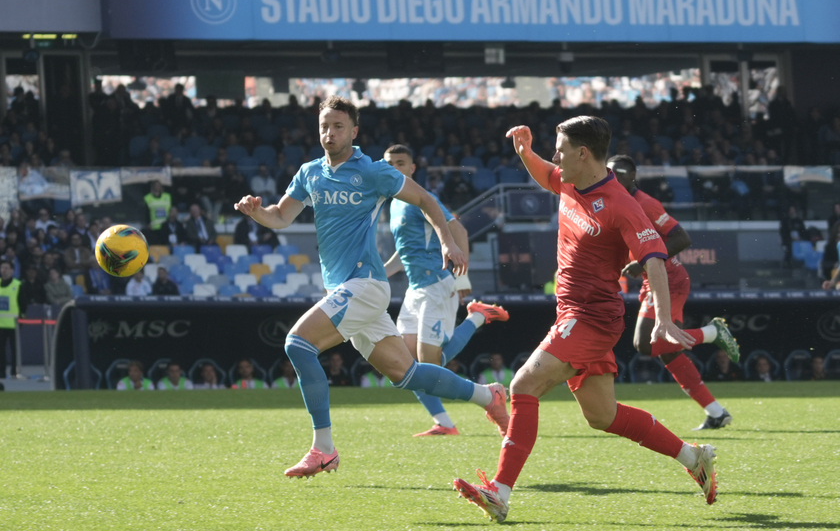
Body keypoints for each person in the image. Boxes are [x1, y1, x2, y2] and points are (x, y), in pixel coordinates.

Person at [452, 117, 728, 523]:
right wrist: (525, 151)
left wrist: (664, 320)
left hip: (593, 317)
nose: (556, 156)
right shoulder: (568, 178)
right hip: (571, 311)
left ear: (584, 153)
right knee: (604, 416)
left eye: (561, 149)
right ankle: (694, 456)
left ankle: (500, 490)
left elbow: (655, 259)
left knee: (523, 384)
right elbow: (545, 172)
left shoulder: (622, 205)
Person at [235, 95, 509, 478]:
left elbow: (425, 199)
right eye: (324, 127)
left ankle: (323, 448)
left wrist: (448, 241)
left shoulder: (372, 171)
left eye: (338, 126)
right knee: (407, 374)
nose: (329, 133)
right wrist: (256, 213)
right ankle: (489, 395)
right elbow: (281, 216)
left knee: (297, 344)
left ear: (354, 131)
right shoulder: (310, 172)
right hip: (344, 288)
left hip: (365, 283)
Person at [383, 144, 510, 437]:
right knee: (406, 367)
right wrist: (376, 274)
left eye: (400, 163)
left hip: (438, 285)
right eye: (389, 164)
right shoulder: (394, 204)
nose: (394, 169)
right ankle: (445, 423)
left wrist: (462, 278)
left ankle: (476, 320)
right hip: (415, 290)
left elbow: (460, 232)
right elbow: (404, 254)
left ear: (412, 169)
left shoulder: (422, 199)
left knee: (430, 366)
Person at [606, 154, 738, 431]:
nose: (613, 176)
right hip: (650, 279)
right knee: (669, 351)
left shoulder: (645, 203)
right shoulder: (612, 200)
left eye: (619, 172)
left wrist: (641, 261)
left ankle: (712, 332)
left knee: (644, 343)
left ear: (633, 177)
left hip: (668, 278)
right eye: (609, 171)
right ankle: (716, 413)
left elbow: (682, 238)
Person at [0, 261, 22, 378]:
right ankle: (1, 372)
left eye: (7, 268)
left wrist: (21, 317)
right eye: (2, 267)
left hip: (14, 323)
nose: (4, 270)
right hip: (0, 324)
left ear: (12, 270)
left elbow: (23, 303)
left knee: (15, 350)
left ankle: (14, 371)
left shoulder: (17, 284)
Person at [143, 181, 172, 245]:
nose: (157, 187)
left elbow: (171, 210)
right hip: (154, 228)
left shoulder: (167, 197)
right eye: (156, 185)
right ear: (152, 187)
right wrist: (148, 223)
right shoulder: (148, 198)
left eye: (159, 185)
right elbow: (145, 213)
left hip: (166, 227)